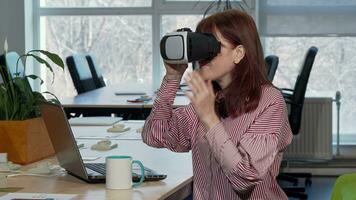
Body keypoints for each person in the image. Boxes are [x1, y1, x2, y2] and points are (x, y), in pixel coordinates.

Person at [142, 9, 293, 200]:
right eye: (202, 43)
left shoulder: (269, 101)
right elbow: (154, 134)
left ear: (238, 53)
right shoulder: (209, 99)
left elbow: (245, 179)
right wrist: (172, 77)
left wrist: (210, 120)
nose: (204, 54)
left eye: (213, 45)